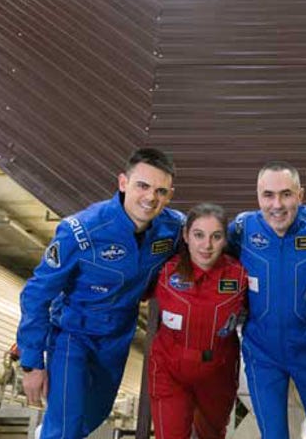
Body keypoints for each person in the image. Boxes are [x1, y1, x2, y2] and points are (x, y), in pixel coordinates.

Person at [17, 148, 184, 438]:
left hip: (118, 339)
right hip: (72, 335)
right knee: (67, 426)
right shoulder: (80, 230)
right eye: (142, 186)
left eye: (160, 191)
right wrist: (32, 363)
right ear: (123, 183)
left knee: (93, 417)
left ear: (169, 194)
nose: (150, 198)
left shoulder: (173, 229)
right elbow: (36, 294)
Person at [227, 161, 306, 439]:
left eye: (286, 194)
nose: (277, 204)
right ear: (258, 196)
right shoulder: (241, 228)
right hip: (261, 352)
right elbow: (205, 256)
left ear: (301, 195)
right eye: (268, 195)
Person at [148, 203, 247, 439]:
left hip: (218, 372)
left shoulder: (240, 275)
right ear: (185, 236)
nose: (207, 245)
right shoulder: (164, 272)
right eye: (199, 235)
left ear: (225, 240)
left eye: (216, 236)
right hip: (169, 370)